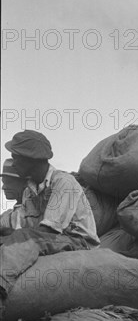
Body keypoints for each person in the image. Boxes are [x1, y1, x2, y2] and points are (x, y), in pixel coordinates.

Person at [0, 130, 99, 304]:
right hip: (50, 239)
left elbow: (48, 230)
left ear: (30, 159)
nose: (13, 163)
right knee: (12, 236)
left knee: (24, 237)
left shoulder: (63, 183)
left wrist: (17, 236)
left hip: (76, 242)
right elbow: (19, 222)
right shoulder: (29, 191)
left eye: (16, 157)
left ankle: (1, 284)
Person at [0, 158, 26, 229]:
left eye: (8, 182)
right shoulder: (6, 217)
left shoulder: (39, 212)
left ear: (24, 183)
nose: (3, 187)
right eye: (3, 183)